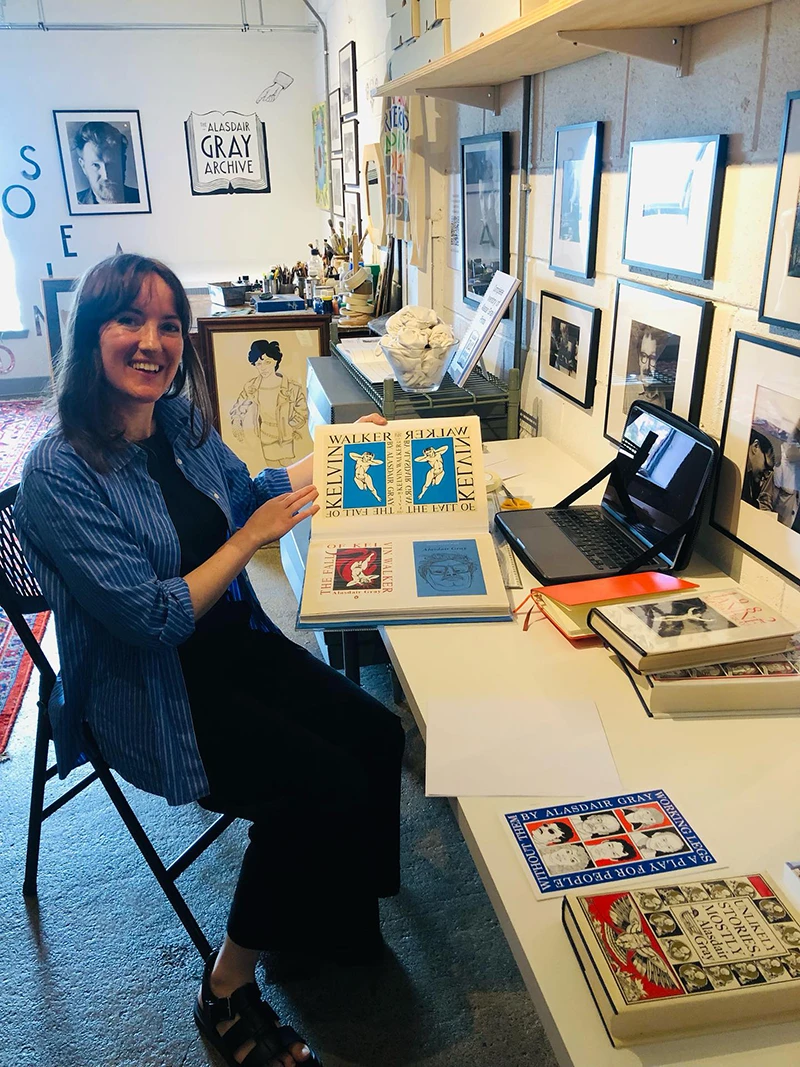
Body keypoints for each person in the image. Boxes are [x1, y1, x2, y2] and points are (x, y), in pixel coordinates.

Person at [15, 254, 406, 1067]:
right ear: (90, 336)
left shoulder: (179, 420)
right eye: (129, 320)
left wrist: (335, 454)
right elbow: (153, 617)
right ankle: (224, 989)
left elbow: (249, 492)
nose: (153, 341)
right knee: (313, 784)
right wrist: (247, 539)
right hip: (151, 690)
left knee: (376, 734)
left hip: (233, 645)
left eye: (168, 324)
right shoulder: (57, 473)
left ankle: (323, 928)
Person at [229, 338, 308, 466]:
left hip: (286, 437)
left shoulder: (292, 387)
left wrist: (291, 426)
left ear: (275, 361)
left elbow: (302, 411)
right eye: (259, 364)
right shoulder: (251, 387)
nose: (263, 367)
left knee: (290, 468)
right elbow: (239, 406)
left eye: (267, 362)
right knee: (274, 471)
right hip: (265, 436)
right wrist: (237, 421)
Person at [73, 121, 140, 205]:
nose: (106, 175)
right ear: (83, 167)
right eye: (96, 165)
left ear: (123, 162)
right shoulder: (74, 203)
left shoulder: (144, 199)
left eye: (112, 164)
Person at [741, 428, 776, 509]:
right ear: (755, 447)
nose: (766, 476)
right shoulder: (739, 470)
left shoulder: (752, 480)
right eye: (766, 466)